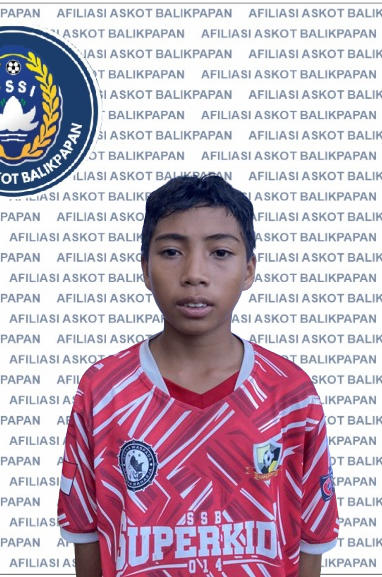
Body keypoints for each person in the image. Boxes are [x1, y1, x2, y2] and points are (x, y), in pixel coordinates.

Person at [57, 175, 339, 577]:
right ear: (145, 268)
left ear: (249, 269)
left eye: (220, 252)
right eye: (172, 251)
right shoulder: (104, 390)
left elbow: (312, 540)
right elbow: (86, 535)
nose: (194, 273)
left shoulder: (289, 391)